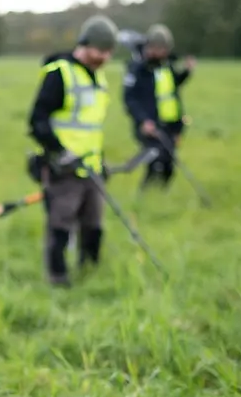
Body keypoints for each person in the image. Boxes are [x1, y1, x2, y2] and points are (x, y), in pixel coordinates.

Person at [25, 14, 119, 287]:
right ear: (85, 43)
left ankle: (89, 272)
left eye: (109, 51)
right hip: (63, 168)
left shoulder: (98, 78)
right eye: (99, 50)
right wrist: (59, 151)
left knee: (94, 225)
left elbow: (91, 126)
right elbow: (37, 120)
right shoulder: (60, 73)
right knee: (61, 223)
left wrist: (100, 160)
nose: (104, 56)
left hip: (91, 166)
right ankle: (58, 278)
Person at [122, 23, 196, 189]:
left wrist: (186, 72)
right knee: (157, 161)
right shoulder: (137, 69)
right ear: (149, 47)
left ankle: (161, 197)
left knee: (168, 165)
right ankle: (145, 196)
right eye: (157, 48)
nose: (161, 52)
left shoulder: (167, 66)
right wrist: (143, 121)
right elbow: (129, 99)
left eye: (164, 49)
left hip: (170, 125)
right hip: (149, 125)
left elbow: (172, 90)